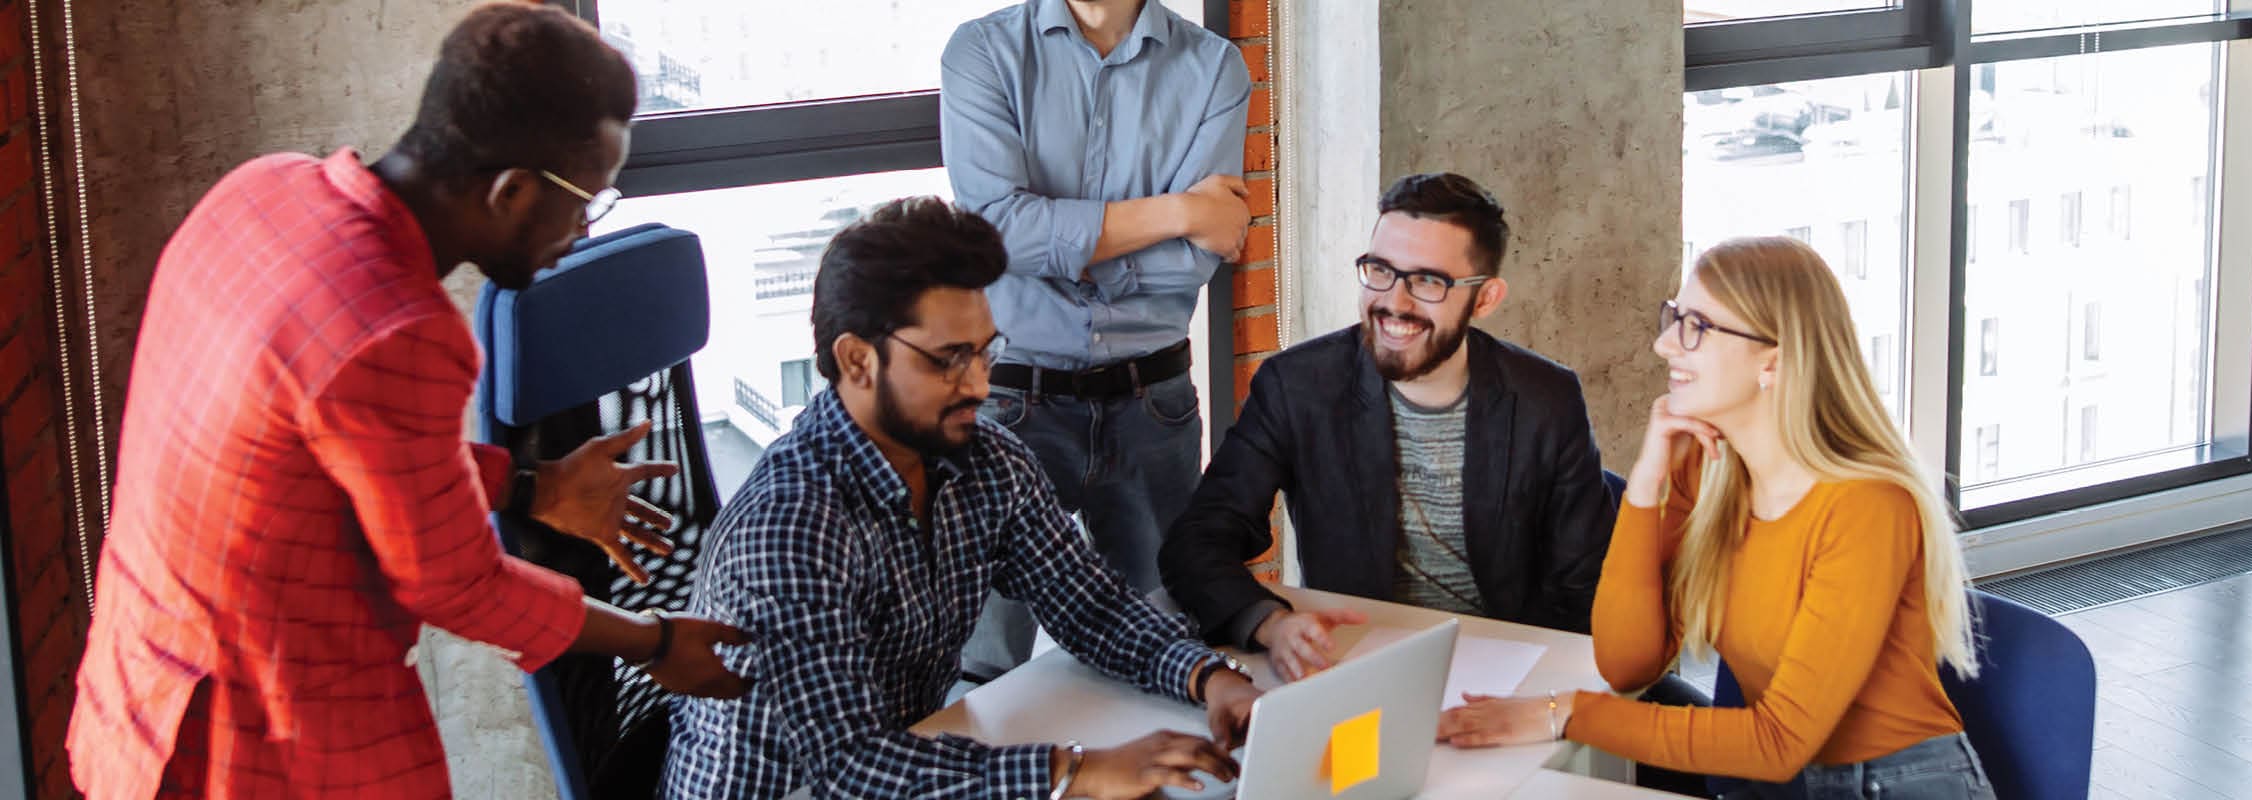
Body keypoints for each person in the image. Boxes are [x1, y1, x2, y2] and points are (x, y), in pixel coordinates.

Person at [65, 4, 750, 798]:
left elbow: (328, 447)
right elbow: (457, 585)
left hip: (142, 694)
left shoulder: (260, 191)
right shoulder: (398, 328)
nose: (578, 231)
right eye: (585, 202)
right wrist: (655, 639)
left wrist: (533, 487)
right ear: (513, 190)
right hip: (257, 749)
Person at [658, 197, 1262, 800]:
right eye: (949, 360)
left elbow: (1089, 606)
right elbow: (848, 768)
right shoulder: (789, 529)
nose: (979, 383)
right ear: (857, 360)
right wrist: (1075, 772)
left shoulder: (986, 460)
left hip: (911, 765)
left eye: (985, 351)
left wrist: (1208, 676)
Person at [1439, 237, 1994, 800]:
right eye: (1674, 318)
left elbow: (1777, 742)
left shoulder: (1866, 506)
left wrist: (1565, 713)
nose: (1663, 344)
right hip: (1773, 779)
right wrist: (1647, 488)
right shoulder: (1709, 473)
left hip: (1897, 785)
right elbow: (1627, 664)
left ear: (1772, 361)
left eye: (1696, 327)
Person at [1157, 173, 1619, 681]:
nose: (1394, 302)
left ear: (1485, 298)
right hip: (1361, 663)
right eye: (1380, 270)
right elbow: (1196, 542)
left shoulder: (1546, 398)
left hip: (1510, 666)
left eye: (1427, 281)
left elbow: (1586, 590)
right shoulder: (1299, 386)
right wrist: (1269, 623)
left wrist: (1537, 693)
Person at [940, 0, 1253, 683]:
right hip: (1009, 403)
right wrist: (1178, 212)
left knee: (1167, 641)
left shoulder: (1214, 68)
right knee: (981, 664)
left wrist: (1060, 246)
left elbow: (1204, 253)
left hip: (1154, 404)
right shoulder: (983, 52)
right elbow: (995, 231)